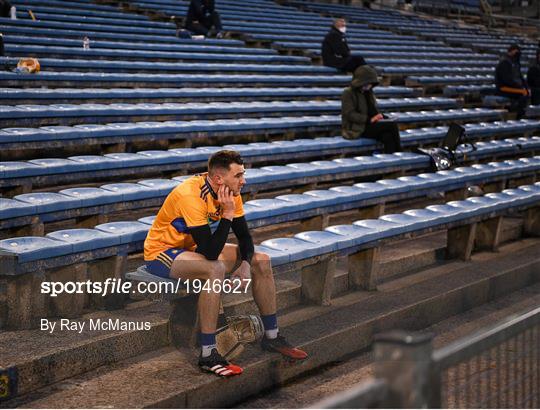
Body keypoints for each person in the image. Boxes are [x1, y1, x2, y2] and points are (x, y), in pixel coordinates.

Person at [144, 150, 308, 377]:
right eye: (239, 175)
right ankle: (208, 353)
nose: (244, 180)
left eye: (243, 174)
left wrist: (244, 265)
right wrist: (227, 214)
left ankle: (272, 337)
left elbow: (244, 238)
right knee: (215, 268)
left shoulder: (231, 191)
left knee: (261, 260)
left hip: (193, 249)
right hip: (162, 252)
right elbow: (210, 253)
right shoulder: (190, 194)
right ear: (219, 178)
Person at [341, 65, 402, 153]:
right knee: (392, 125)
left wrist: (380, 116)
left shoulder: (369, 92)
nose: (369, 86)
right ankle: (399, 152)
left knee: (387, 136)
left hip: (369, 125)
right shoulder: (348, 93)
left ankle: (394, 160)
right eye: (367, 83)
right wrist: (369, 119)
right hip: (356, 128)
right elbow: (349, 114)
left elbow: (372, 110)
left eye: (370, 83)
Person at [495, 44, 529, 119]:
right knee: (523, 94)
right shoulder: (504, 62)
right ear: (510, 52)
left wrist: (525, 87)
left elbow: (520, 77)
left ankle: (525, 112)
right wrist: (520, 87)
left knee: (528, 92)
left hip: (514, 87)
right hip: (503, 88)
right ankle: (519, 116)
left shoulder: (516, 63)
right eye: (516, 52)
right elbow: (507, 80)